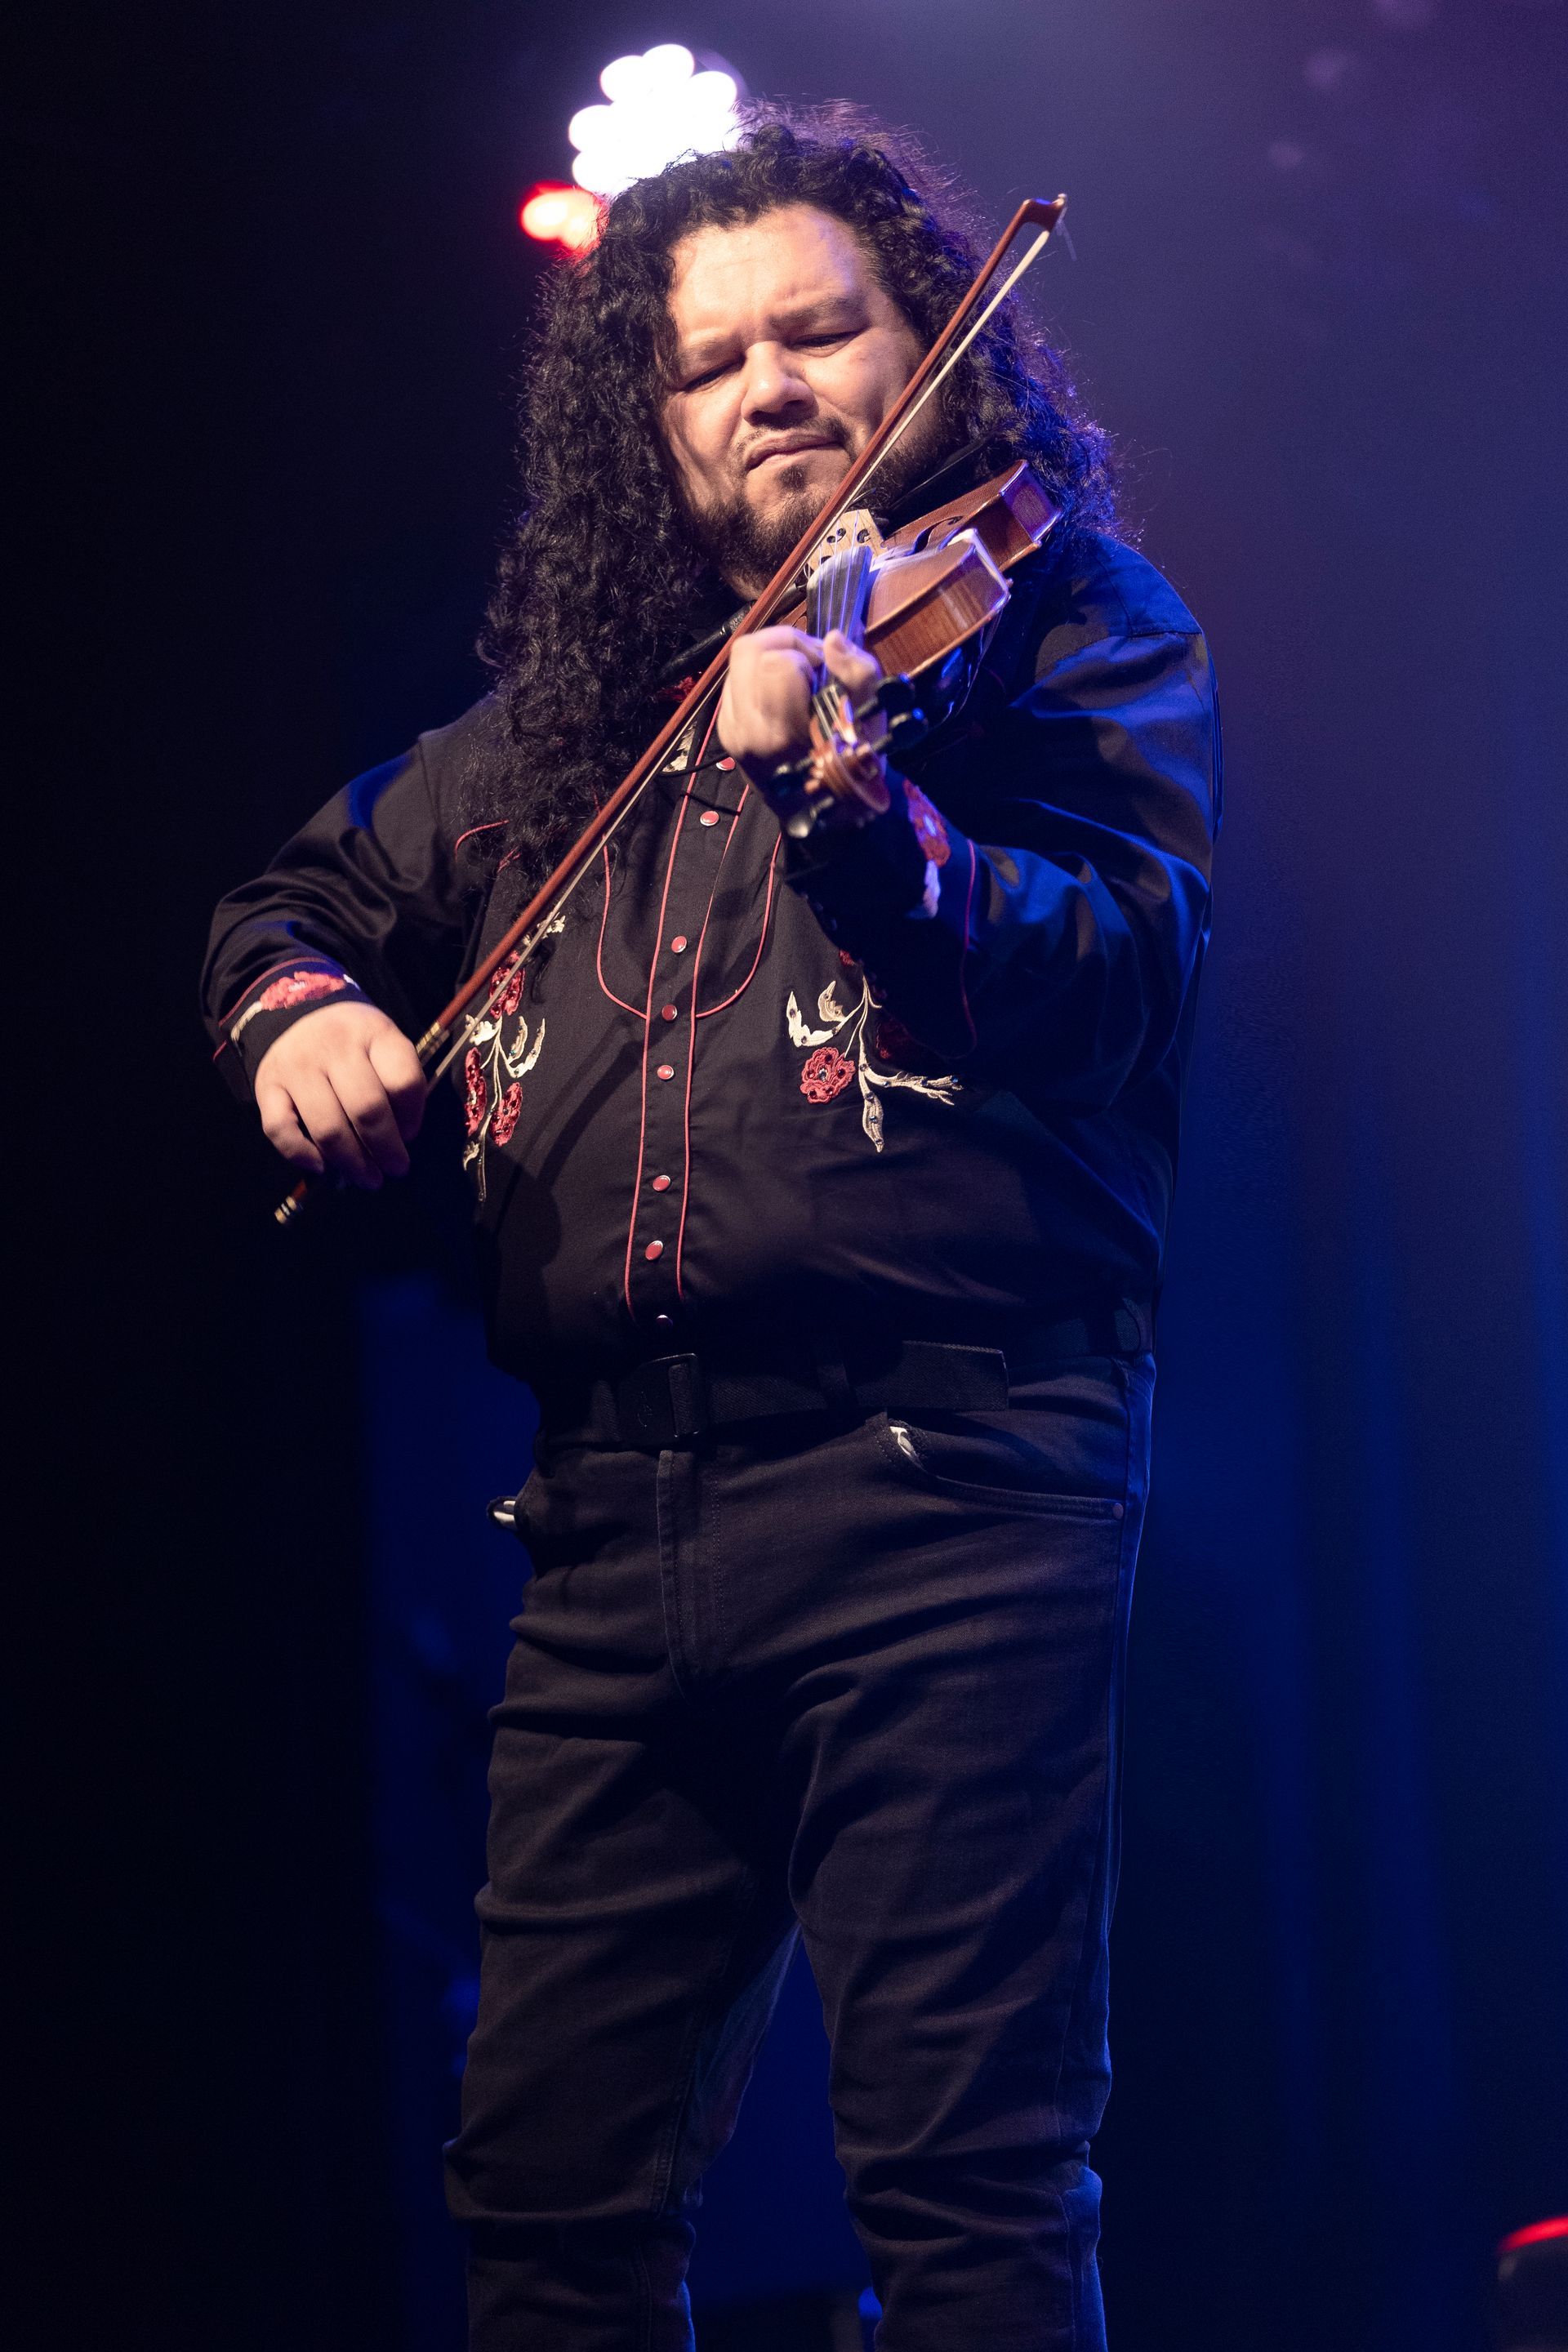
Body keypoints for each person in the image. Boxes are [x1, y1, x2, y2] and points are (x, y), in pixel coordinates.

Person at [203, 113, 1220, 2352]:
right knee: (546, 2191)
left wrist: (864, 807)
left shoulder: (1061, 638)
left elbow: (1107, 976)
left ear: (933, 356)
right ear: (645, 430)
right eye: (711, 362)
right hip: (607, 1519)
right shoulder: (579, 723)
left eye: (823, 332)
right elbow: (296, 901)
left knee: (962, 2180)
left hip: (949, 1491)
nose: (769, 386)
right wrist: (297, 1016)